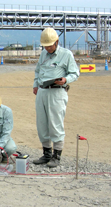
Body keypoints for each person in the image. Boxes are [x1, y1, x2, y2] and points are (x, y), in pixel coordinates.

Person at [33, 28, 80, 168]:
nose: (47, 48)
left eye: (49, 45)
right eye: (45, 46)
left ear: (57, 42)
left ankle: (56, 156)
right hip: (42, 91)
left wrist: (65, 79)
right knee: (42, 124)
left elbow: (75, 73)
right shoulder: (43, 54)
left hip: (57, 92)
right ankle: (46, 153)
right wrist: (35, 84)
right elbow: (37, 71)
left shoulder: (66, 55)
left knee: (55, 124)